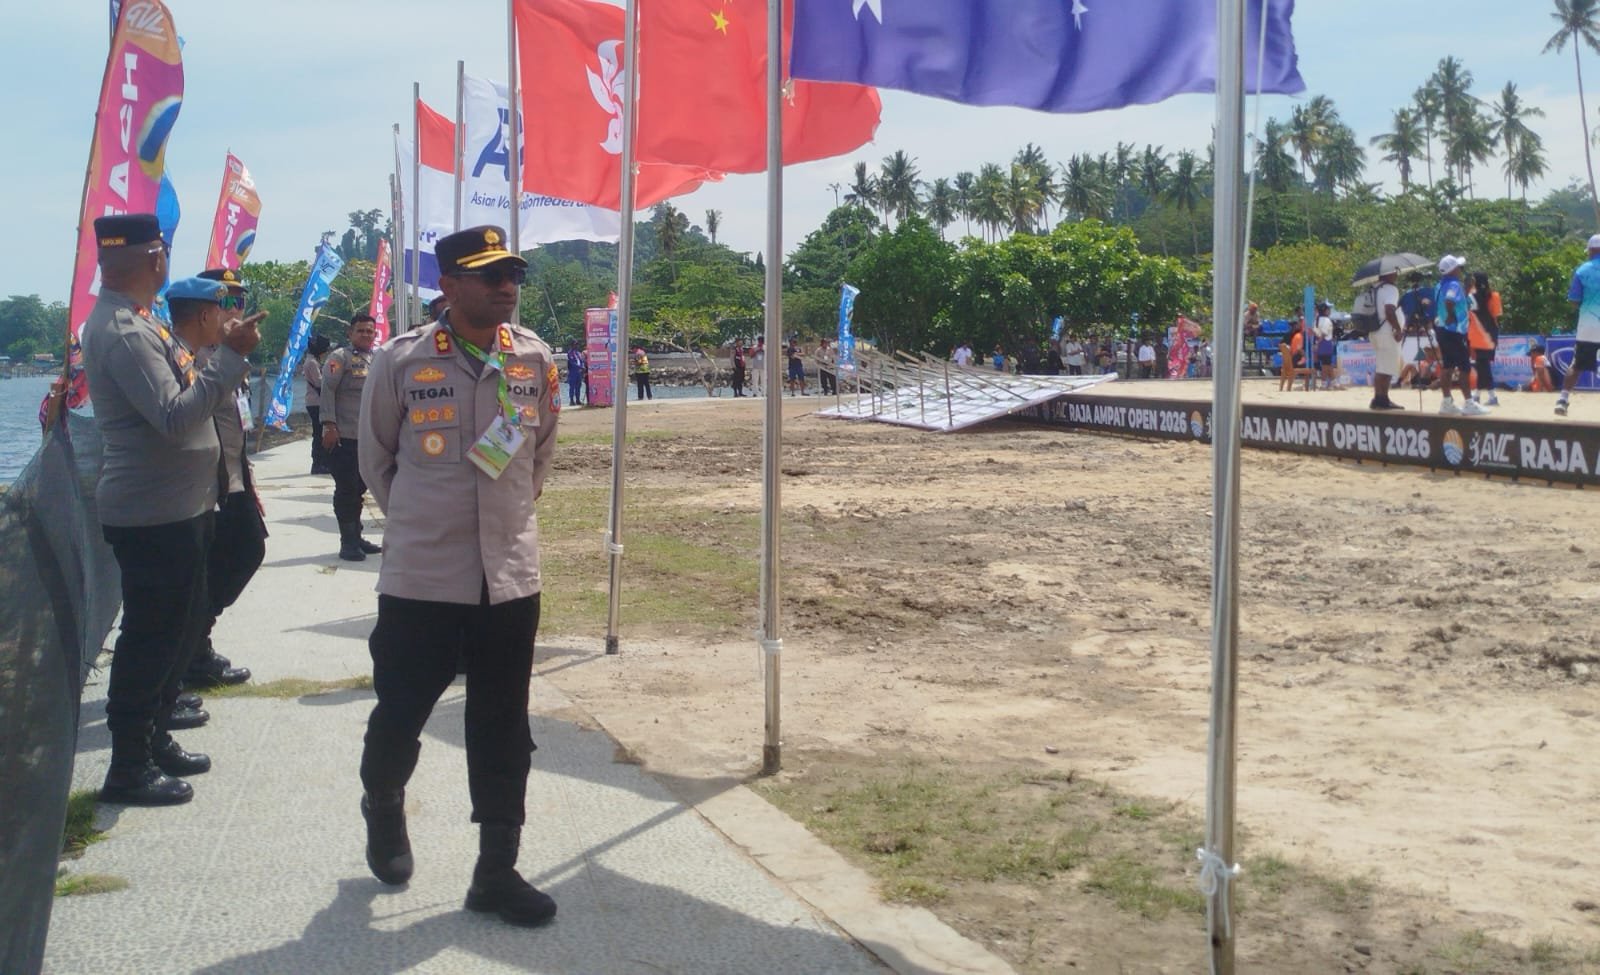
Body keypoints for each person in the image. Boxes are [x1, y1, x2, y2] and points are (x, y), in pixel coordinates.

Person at [356, 225, 560, 927]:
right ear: (447, 286)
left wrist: (500, 522)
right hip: (423, 577)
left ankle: (496, 870)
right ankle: (383, 801)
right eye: (490, 275)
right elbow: (376, 460)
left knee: (504, 723)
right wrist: (426, 522)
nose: (507, 286)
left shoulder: (533, 357)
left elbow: (540, 452)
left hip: (509, 576)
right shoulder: (400, 360)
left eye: (513, 274)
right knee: (402, 709)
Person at [80, 215, 261, 806]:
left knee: (176, 631)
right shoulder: (126, 332)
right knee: (151, 639)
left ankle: (154, 739)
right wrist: (229, 358)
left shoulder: (140, 321)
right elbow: (175, 417)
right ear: (156, 259)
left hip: (179, 505)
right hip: (154, 514)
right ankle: (128, 767)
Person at [178, 268, 269, 699]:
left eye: (239, 300)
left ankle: (195, 641)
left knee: (246, 551)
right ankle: (188, 654)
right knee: (199, 574)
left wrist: (248, 480)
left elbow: (237, 427)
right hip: (203, 488)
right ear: (207, 309)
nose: (235, 309)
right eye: (226, 301)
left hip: (233, 480)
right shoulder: (190, 357)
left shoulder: (230, 356)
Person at [322, 313, 384, 560]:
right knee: (347, 489)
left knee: (360, 487)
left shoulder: (378, 358)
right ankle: (347, 543)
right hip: (344, 435)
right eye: (361, 330)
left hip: (369, 437)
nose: (366, 335)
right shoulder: (339, 358)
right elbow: (328, 389)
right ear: (350, 333)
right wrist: (329, 425)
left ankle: (357, 537)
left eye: (370, 331)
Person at [1434, 255, 1486, 415]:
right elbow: (1450, 300)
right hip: (1454, 331)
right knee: (1464, 367)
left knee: (1448, 366)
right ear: (1453, 269)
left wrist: (1466, 290)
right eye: (1458, 267)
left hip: (1442, 329)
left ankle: (1446, 402)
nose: (1460, 270)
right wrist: (1451, 315)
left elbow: (1451, 299)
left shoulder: (1440, 285)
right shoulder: (1454, 284)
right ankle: (1469, 402)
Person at [1557, 234, 1600, 417]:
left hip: (1588, 326)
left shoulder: (1581, 270)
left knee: (1576, 365)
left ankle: (1562, 400)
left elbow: (1574, 300)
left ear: (1591, 250)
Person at [1370, 271, 1406, 410]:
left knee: (1382, 366)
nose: (1396, 274)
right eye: (1394, 272)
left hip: (1375, 331)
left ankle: (1378, 398)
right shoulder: (1390, 289)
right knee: (1387, 367)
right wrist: (1397, 329)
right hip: (1386, 332)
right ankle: (1382, 399)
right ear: (1387, 273)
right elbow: (1389, 310)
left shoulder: (1373, 288)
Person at [1467, 272, 1501, 407]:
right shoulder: (1494, 296)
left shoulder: (1470, 296)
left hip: (1477, 333)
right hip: (1490, 333)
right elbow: (1495, 316)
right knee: (1483, 365)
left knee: (1482, 365)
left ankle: (1486, 395)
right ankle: (1483, 395)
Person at [303, 333, 332, 474]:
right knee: (319, 433)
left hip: (313, 401)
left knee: (320, 432)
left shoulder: (312, 360)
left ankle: (321, 462)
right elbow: (319, 383)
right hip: (316, 402)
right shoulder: (312, 363)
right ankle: (318, 463)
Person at [564, 341, 585, 406]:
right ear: (572, 345)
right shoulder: (570, 353)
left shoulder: (578, 353)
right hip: (573, 372)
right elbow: (572, 363)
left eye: (577, 344)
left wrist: (582, 367)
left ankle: (578, 400)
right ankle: (571, 401)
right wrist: (580, 367)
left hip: (579, 372)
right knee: (572, 387)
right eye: (575, 344)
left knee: (578, 386)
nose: (576, 346)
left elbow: (581, 361)